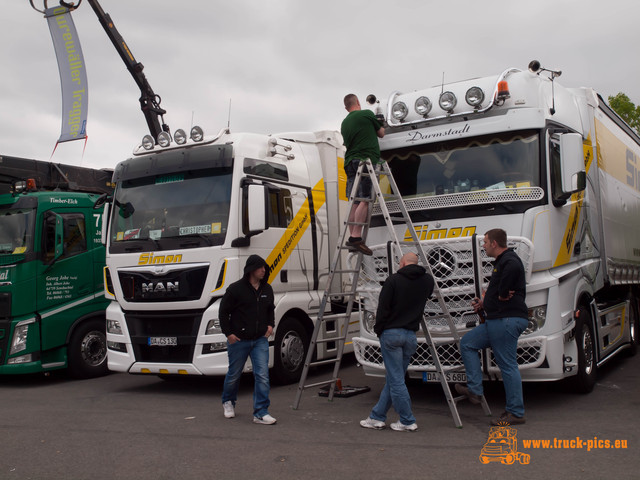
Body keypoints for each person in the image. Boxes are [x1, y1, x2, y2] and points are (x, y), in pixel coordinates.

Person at [455, 228, 529, 425]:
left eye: (485, 242)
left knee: (507, 365)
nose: (483, 246)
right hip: (499, 319)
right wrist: (485, 303)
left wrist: (502, 293)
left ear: (494, 243)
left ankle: (515, 412)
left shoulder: (509, 260)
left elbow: (511, 274)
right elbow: (499, 291)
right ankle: (475, 391)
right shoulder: (502, 262)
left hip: (506, 320)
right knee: (468, 343)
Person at [360, 252, 435, 431]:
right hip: (410, 335)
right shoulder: (427, 280)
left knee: (396, 380)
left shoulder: (393, 280)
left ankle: (407, 420)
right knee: (395, 378)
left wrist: (379, 330)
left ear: (402, 263)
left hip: (391, 333)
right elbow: (429, 295)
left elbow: (383, 309)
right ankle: (376, 416)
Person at [220, 254, 277, 425]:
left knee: (263, 375)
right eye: (260, 268)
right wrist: (228, 334)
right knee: (234, 375)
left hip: (260, 339)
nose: (263, 270)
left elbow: (270, 310)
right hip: (239, 340)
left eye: (264, 268)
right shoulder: (235, 289)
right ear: (251, 269)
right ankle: (228, 401)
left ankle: (260, 412)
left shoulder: (267, 289)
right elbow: (223, 312)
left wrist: (270, 325)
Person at [340, 93, 385, 256]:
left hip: (350, 163)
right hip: (365, 161)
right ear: (358, 102)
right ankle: (356, 237)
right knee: (364, 200)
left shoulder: (344, 123)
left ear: (346, 107)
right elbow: (381, 133)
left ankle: (353, 236)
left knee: (353, 201)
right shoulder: (367, 114)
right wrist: (380, 121)